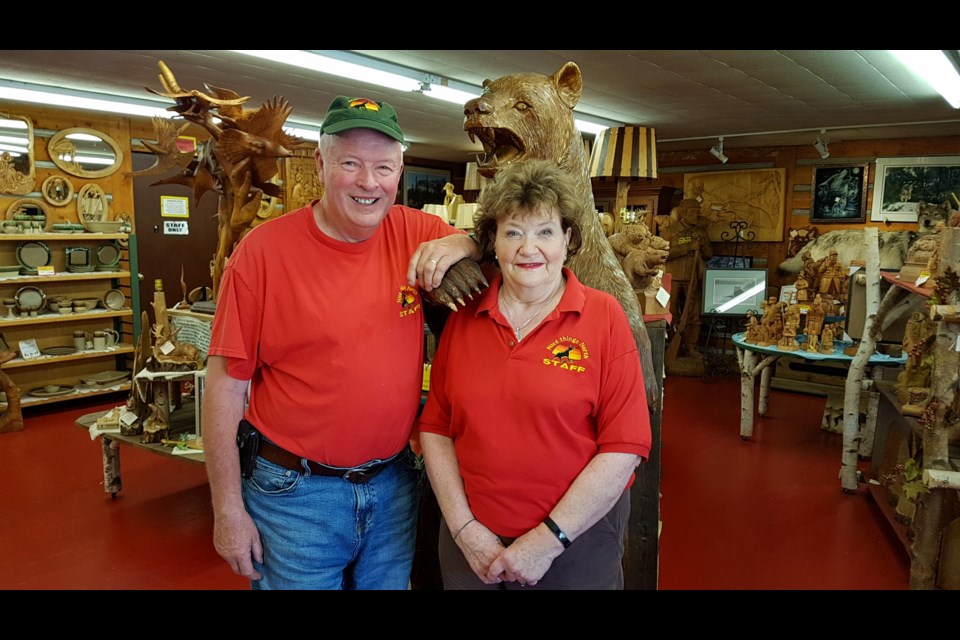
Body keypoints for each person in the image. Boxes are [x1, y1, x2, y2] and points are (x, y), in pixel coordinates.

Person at [203, 95, 480, 590]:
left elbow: (496, 237)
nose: (368, 182)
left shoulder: (416, 232)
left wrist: (463, 242)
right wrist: (226, 510)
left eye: (383, 167)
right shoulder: (261, 254)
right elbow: (223, 390)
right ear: (320, 163)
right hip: (293, 495)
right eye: (349, 163)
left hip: (394, 484)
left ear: (399, 170)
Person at [417, 159, 652, 590]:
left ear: (566, 239)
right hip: (472, 543)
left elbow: (625, 445)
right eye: (513, 232)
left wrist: (548, 540)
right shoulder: (466, 316)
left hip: (576, 541)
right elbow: (435, 428)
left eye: (544, 231)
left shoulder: (603, 315)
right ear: (492, 243)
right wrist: (464, 529)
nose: (529, 249)